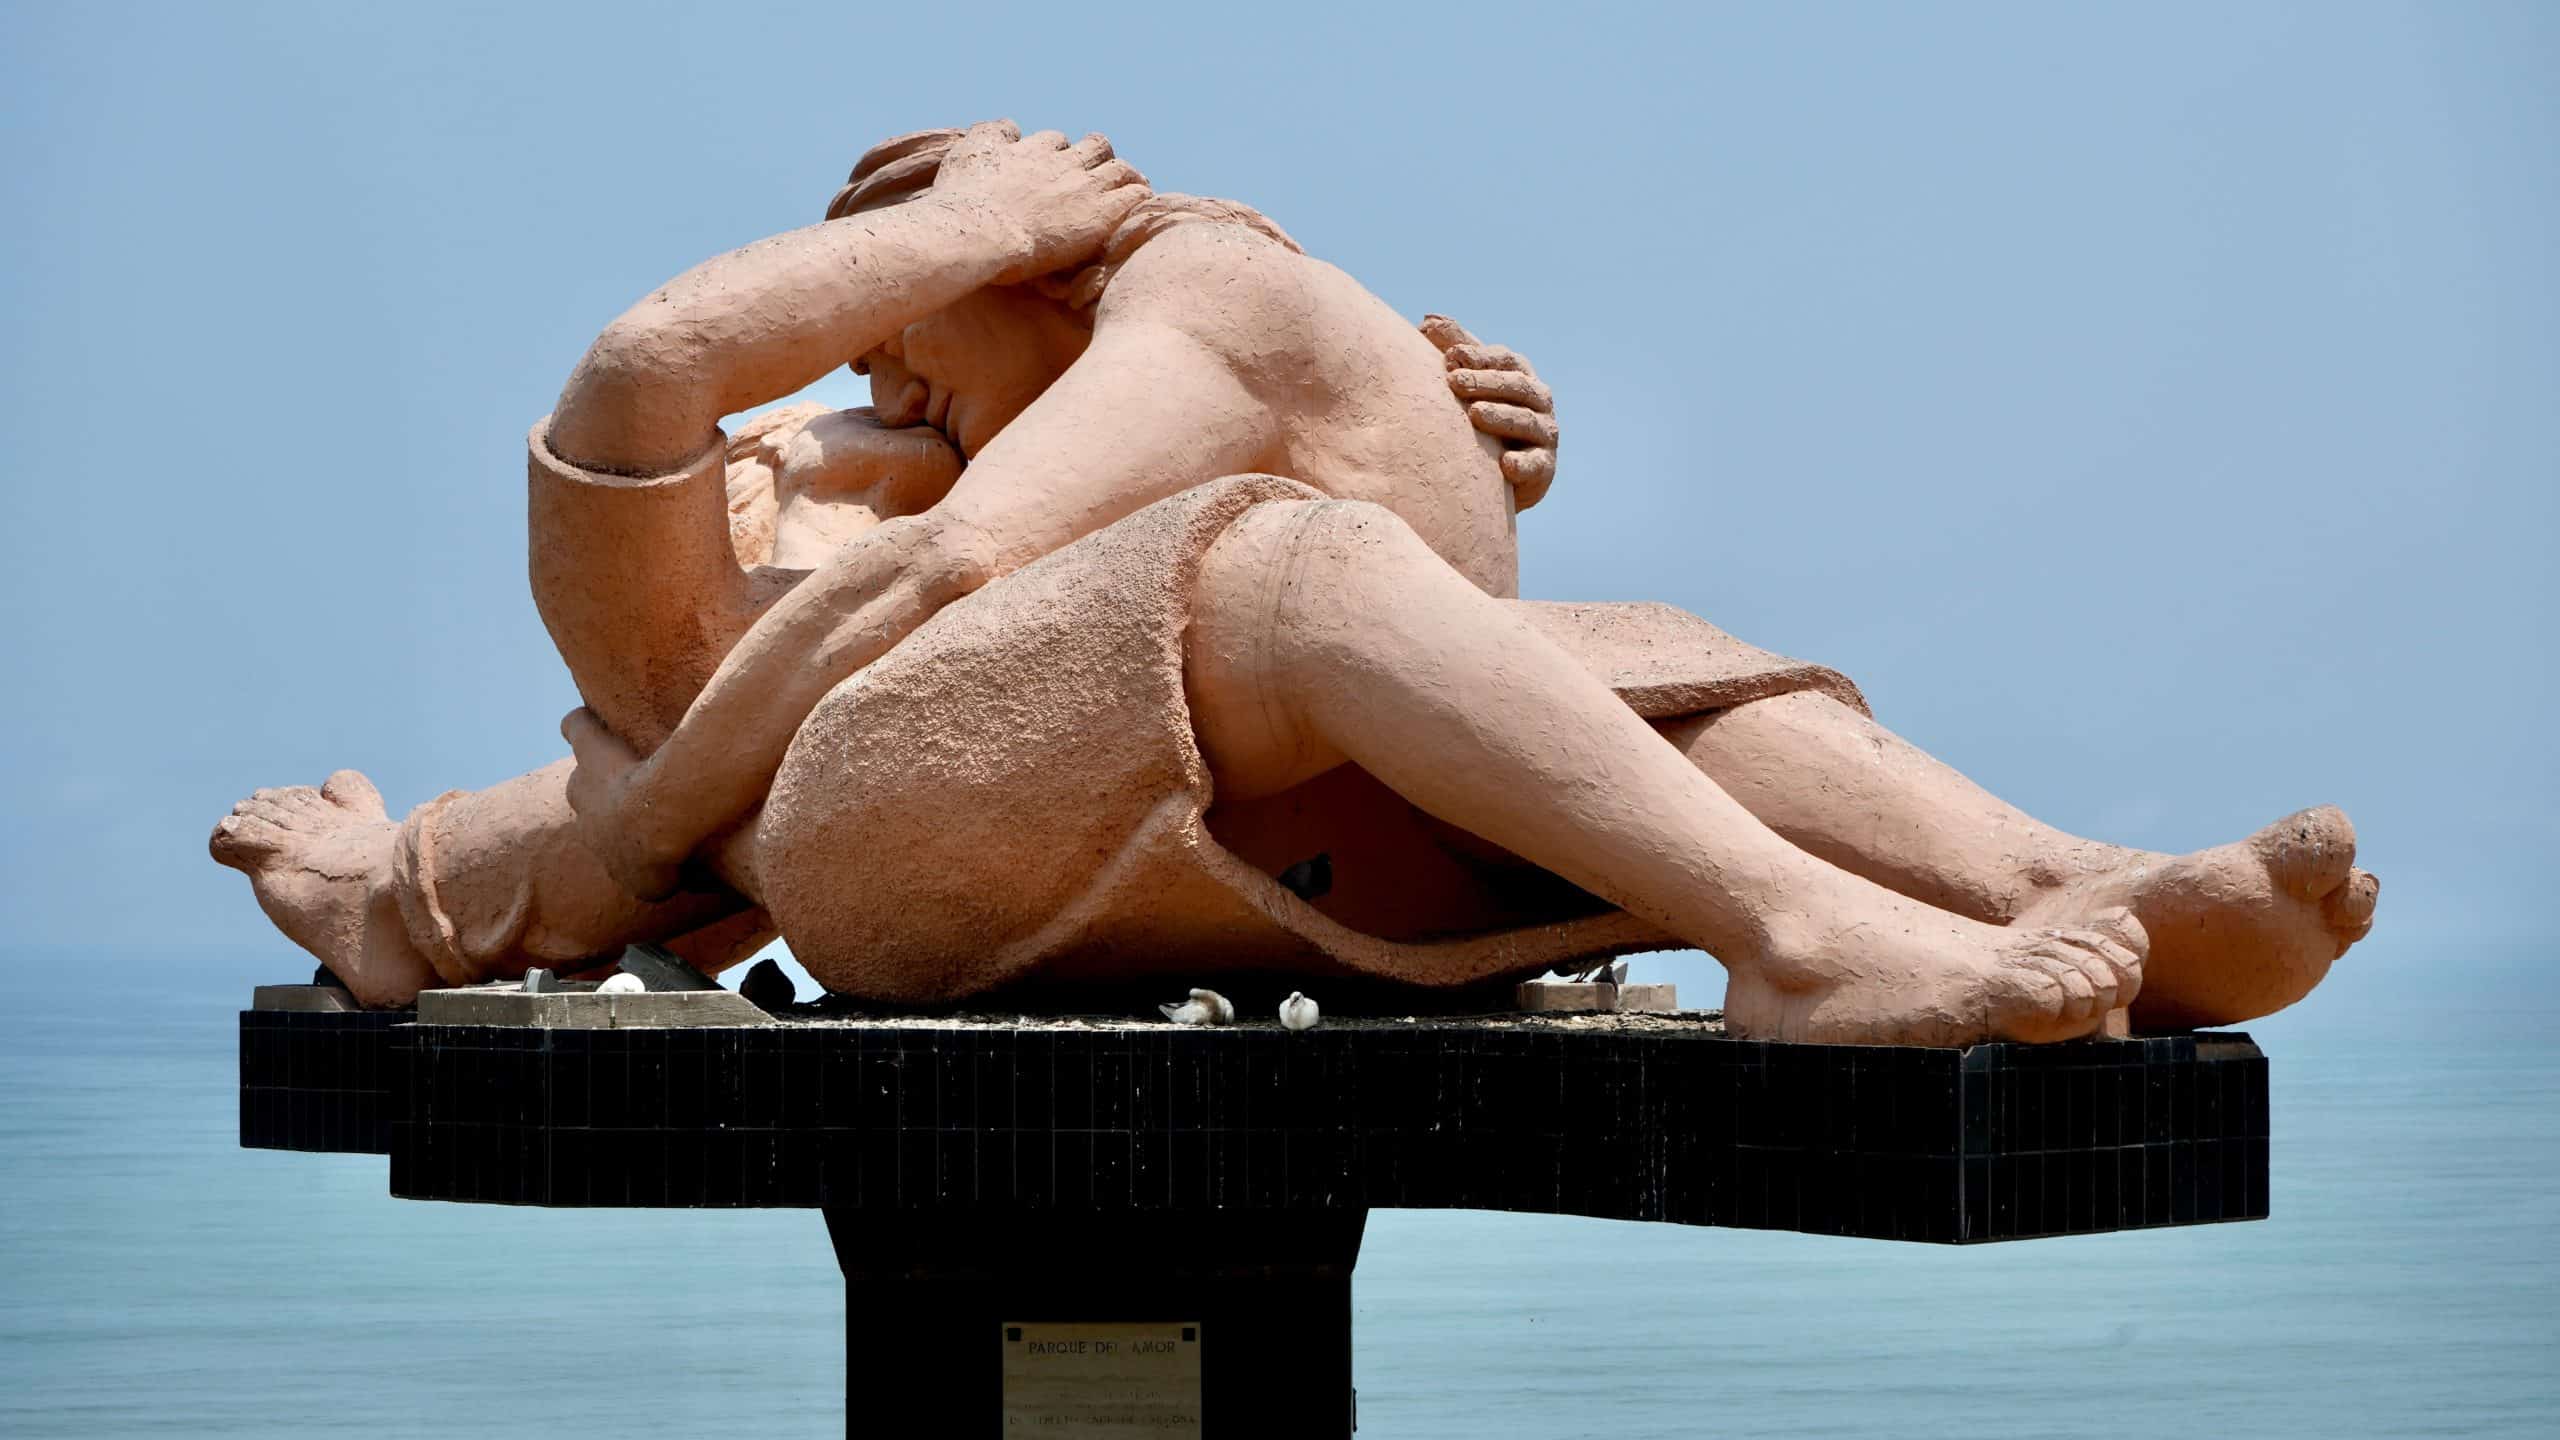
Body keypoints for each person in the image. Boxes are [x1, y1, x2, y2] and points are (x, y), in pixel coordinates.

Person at [215, 124, 2375, 1044]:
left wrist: (1429, 436)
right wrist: (958, 229)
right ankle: (1801, 941)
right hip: (857, 841)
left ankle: (2046, 884)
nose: (897, 372)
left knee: (1647, 659)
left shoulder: (1062, 435)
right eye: (891, 327)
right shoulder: (785, 480)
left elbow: (1213, 529)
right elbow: (644, 371)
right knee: (1287, 567)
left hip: (1128, 808)